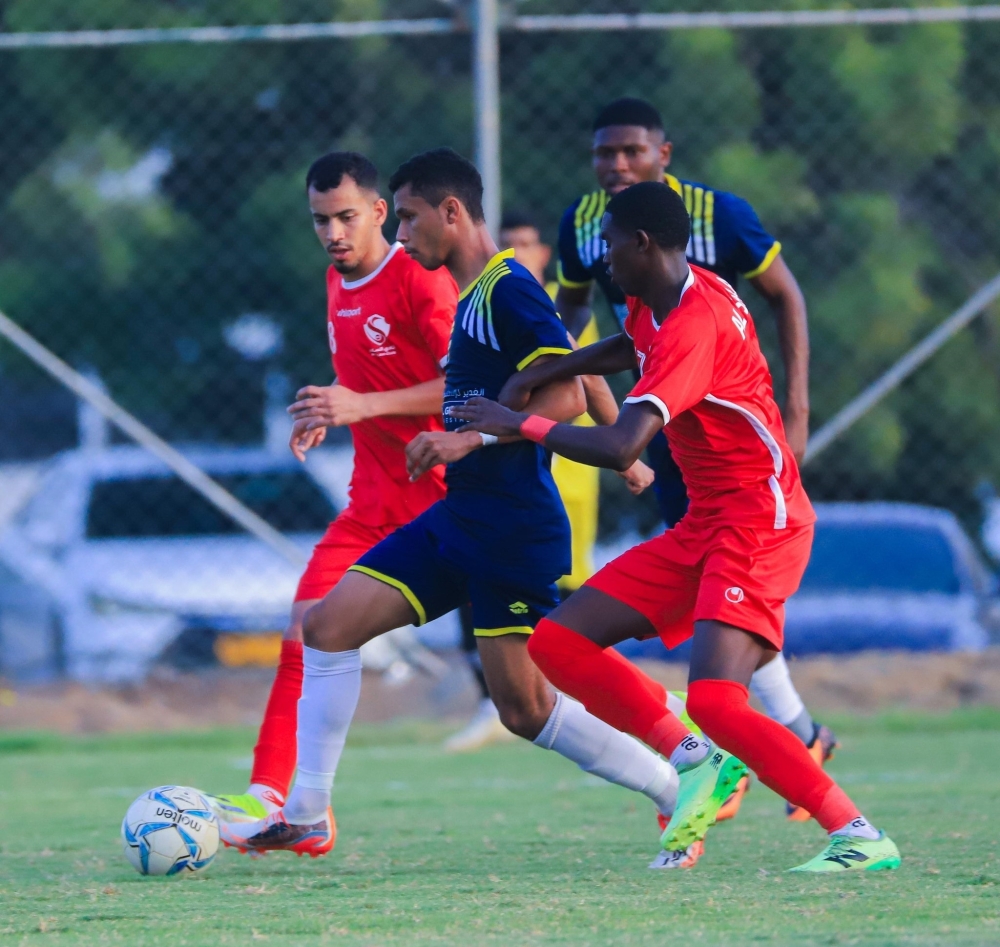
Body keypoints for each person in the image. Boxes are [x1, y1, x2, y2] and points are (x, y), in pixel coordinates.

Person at [220, 150, 739, 861]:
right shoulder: (474, 296)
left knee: (524, 709)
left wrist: (466, 442)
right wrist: (619, 451)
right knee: (329, 625)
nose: (400, 234)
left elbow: (558, 385)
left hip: (511, 526)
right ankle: (307, 813)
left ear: (452, 213)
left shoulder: (504, 289)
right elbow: (572, 372)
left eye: (406, 217)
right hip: (461, 517)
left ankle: (674, 781)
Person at [456, 182, 901, 873]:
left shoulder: (696, 323)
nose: (601, 259)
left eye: (609, 245)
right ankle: (697, 761)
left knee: (718, 702)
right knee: (559, 643)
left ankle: (859, 835)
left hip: (760, 520)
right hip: (708, 521)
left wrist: (520, 423)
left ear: (642, 245)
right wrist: (556, 367)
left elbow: (622, 447)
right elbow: (630, 345)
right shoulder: (655, 295)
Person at [556, 97, 836, 821]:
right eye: (604, 154)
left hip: (738, 471)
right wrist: (541, 371)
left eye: (631, 152)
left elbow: (784, 296)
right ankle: (727, 750)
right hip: (682, 453)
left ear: (664, 156)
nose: (616, 165)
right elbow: (596, 325)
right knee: (568, 642)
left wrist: (798, 415)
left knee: (720, 670)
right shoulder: (607, 244)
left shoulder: (716, 230)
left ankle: (823, 790)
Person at [208, 151, 457, 825]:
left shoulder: (422, 282)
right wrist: (327, 414)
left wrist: (363, 407)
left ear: (380, 211)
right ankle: (275, 799)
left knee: (539, 673)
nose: (334, 233)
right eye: (321, 220)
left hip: (449, 506)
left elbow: (463, 389)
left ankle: (683, 752)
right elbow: (362, 382)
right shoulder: (335, 281)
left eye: (346, 216)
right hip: (371, 505)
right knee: (306, 629)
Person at [445, 212, 653, 753]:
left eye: (526, 244)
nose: (515, 251)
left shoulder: (525, 296)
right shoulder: (482, 296)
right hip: (505, 481)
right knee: (505, 607)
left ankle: (658, 715)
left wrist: (624, 456)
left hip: (561, 480)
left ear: (544, 255)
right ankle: (502, 699)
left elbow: (583, 377)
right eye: (508, 243)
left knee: (562, 617)